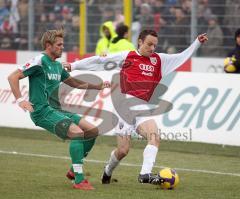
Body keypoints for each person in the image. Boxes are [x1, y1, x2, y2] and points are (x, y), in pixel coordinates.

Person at [63, 30, 208, 185]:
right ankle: (108, 171)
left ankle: (144, 174)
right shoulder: (127, 56)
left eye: (154, 45)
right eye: (149, 44)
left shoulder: (160, 60)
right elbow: (99, 61)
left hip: (143, 108)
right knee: (123, 151)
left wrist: (197, 42)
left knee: (154, 137)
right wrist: (74, 65)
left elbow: (181, 56)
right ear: (140, 42)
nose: (152, 48)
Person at [7, 29, 110, 190]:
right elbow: (13, 77)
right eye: (59, 44)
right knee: (77, 133)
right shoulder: (40, 60)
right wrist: (21, 100)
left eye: (63, 44)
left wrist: (97, 86)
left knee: (92, 131)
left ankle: (72, 170)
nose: (63, 47)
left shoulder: (56, 65)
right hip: (42, 111)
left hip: (57, 110)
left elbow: (74, 83)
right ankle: (79, 180)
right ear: (48, 45)